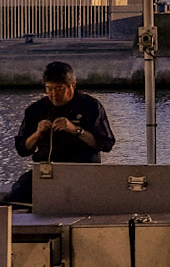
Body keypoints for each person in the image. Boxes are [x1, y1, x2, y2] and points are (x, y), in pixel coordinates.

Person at [8, 61, 116, 203]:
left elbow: (106, 144)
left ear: (72, 85)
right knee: (18, 193)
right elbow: (23, 149)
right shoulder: (36, 109)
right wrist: (37, 134)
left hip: (82, 172)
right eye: (49, 89)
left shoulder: (91, 106)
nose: (54, 94)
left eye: (59, 88)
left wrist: (75, 130)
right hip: (47, 172)